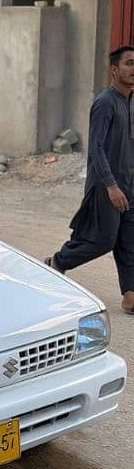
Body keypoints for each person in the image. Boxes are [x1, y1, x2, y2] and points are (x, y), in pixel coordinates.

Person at [46, 45, 134, 312]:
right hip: (107, 187)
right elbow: (96, 147)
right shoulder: (104, 103)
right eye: (129, 63)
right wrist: (111, 186)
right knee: (103, 240)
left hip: (130, 185)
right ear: (114, 69)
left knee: (130, 241)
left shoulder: (131, 102)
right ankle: (58, 262)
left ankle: (130, 296)